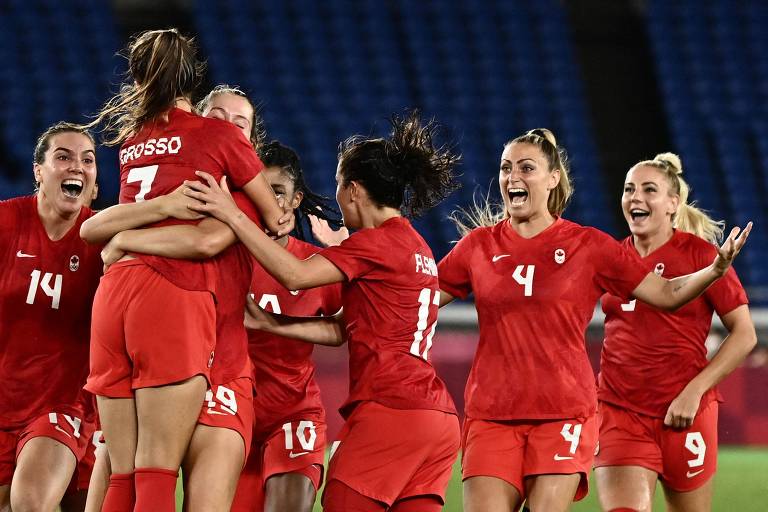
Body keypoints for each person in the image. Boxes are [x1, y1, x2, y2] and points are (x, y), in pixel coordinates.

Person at [434, 129, 751, 512]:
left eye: (526, 167)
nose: (512, 176)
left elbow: (668, 294)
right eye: (505, 168)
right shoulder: (479, 246)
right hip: (501, 413)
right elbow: (420, 300)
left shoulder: (591, 247)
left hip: (566, 414)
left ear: (552, 180)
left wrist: (713, 270)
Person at [183, 111, 462, 512]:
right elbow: (341, 330)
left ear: (352, 190)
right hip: (437, 420)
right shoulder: (415, 246)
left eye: (337, 187)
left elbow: (292, 271)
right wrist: (273, 323)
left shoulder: (376, 245)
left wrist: (231, 214)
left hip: (390, 411)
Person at [81, 29, 287, 512]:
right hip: (174, 300)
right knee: (154, 469)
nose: (231, 125)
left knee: (120, 468)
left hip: (114, 295)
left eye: (242, 121)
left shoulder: (134, 139)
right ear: (198, 94)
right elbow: (247, 227)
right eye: (224, 115)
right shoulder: (222, 146)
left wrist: (126, 238)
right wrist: (273, 216)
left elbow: (97, 230)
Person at [593, 153, 757, 512]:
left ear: (673, 204)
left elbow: (745, 334)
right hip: (620, 410)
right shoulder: (609, 258)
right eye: (629, 189)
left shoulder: (703, 256)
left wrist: (695, 391)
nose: (635, 197)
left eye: (648, 190)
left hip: (684, 412)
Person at [230, 141, 342, 512]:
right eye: (255, 190)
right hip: (228, 415)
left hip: (293, 414)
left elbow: (362, 321)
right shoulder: (217, 255)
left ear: (295, 201)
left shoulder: (317, 266)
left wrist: (352, 248)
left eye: (277, 192)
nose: (266, 201)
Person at [0, 122, 101, 511]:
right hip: (6, 395)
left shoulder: (104, 238)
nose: (77, 166)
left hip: (61, 405)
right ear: (38, 171)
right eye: (63, 156)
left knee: (30, 503)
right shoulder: (8, 222)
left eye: (88, 160)